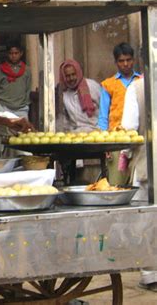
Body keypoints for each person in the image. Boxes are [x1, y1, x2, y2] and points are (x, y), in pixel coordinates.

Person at [121, 78, 157, 292]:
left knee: (146, 222)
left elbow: (129, 129)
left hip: (147, 163)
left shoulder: (136, 88)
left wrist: (124, 155)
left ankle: (152, 274)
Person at [98, 42, 142, 185]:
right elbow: (103, 117)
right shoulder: (108, 85)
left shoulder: (141, 82)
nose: (126, 64)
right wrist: (106, 145)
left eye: (128, 60)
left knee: (139, 180)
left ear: (133, 60)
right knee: (117, 183)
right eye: (121, 61)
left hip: (138, 140)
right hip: (116, 141)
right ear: (116, 62)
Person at [0, 42, 31, 119]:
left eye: (16, 53)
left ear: (21, 53)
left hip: (21, 109)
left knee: (23, 130)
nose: (13, 56)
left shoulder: (27, 70)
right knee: (2, 131)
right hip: (3, 108)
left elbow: (28, 89)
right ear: (7, 54)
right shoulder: (0, 70)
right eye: (11, 53)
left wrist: (26, 105)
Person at [58, 59, 101, 132]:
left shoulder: (92, 86)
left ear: (78, 73)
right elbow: (65, 119)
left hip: (95, 131)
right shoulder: (65, 93)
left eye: (73, 74)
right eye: (68, 76)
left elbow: (105, 108)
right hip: (76, 132)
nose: (71, 78)